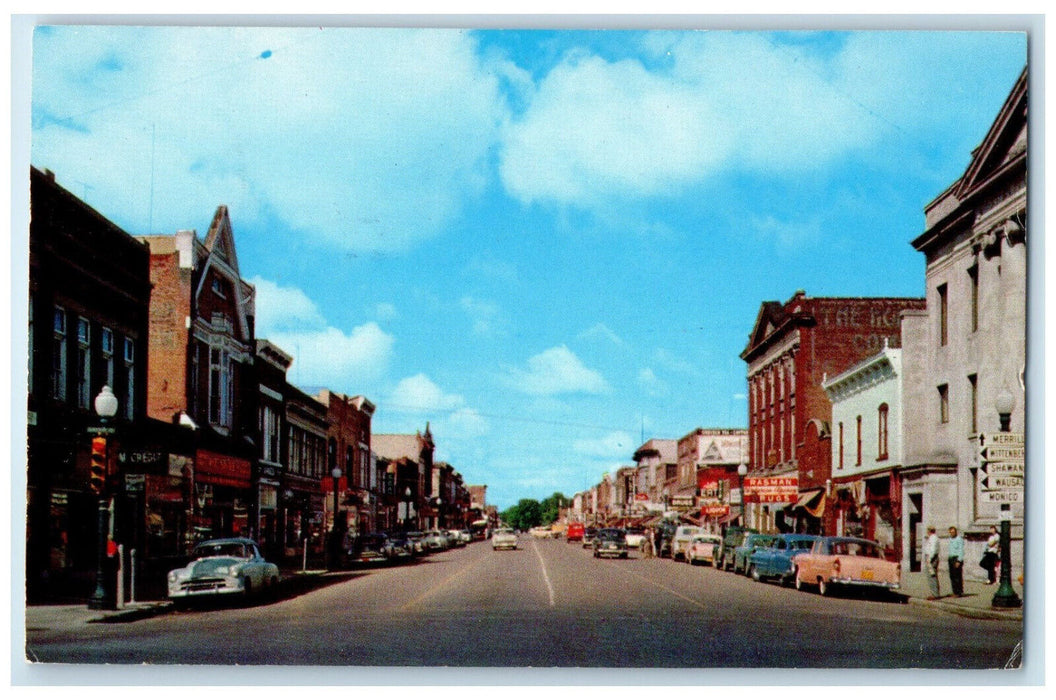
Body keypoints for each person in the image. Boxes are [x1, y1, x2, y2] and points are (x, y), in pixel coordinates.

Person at [923, 526, 941, 600]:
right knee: (932, 575)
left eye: (927, 530)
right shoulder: (933, 537)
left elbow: (933, 549)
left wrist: (929, 559)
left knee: (931, 576)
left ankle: (935, 594)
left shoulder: (933, 538)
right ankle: (934, 593)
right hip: (931, 557)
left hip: (931, 558)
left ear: (929, 531)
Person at [947, 526, 965, 596]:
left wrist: (959, 561)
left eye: (953, 532)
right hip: (951, 558)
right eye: (950, 532)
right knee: (952, 576)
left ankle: (959, 592)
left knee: (957, 576)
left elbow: (961, 550)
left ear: (956, 532)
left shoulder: (959, 539)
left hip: (956, 559)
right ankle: (954, 591)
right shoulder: (950, 539)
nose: (952, 533)